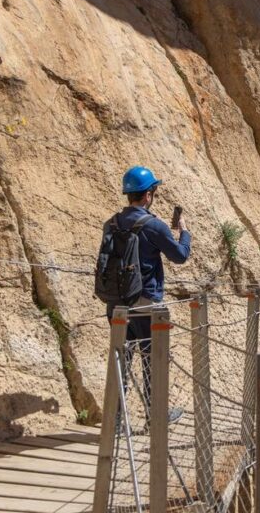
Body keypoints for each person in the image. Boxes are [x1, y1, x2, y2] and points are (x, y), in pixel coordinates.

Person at [107, 166, 191, 420]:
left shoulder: (111, 224)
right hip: (145, 302)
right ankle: (157, 415)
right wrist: (184, 231)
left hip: (116, 304)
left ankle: (116, 420)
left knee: (122, 359)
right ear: (147, 195)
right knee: (152, 359)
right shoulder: (154, 226)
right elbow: (180, 256)